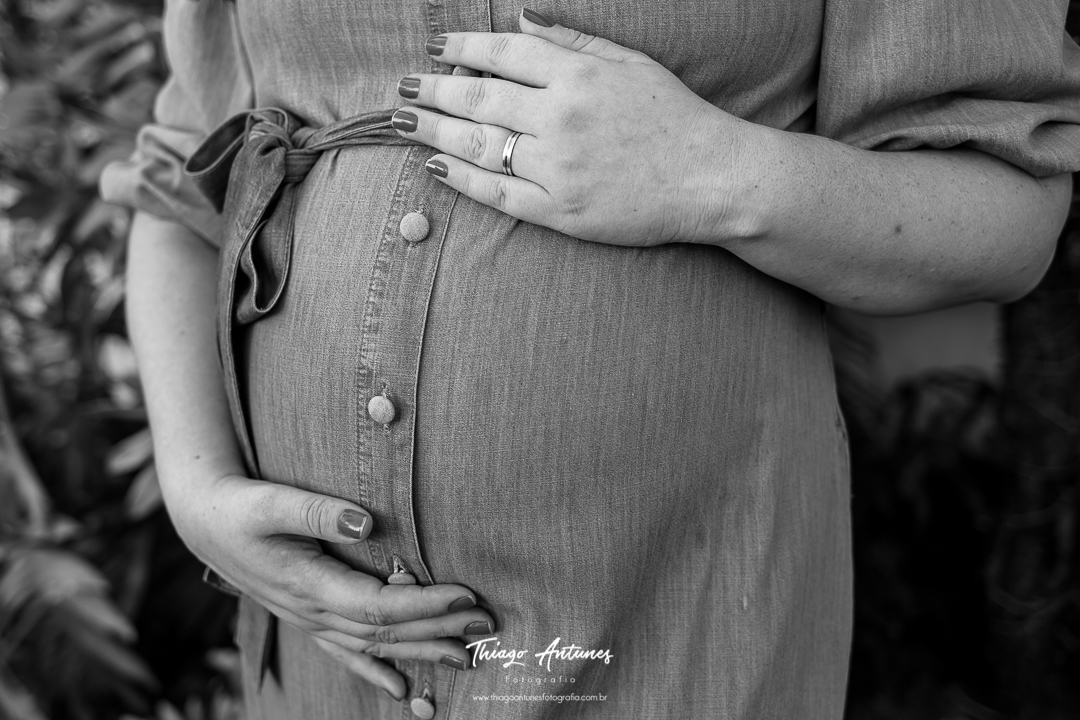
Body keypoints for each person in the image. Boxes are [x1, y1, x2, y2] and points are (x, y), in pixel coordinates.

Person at [100, 0, 1080, 717]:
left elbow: (1006, 211)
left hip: (678, 643)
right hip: (329, 651)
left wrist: (710, 173)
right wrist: (199, 496)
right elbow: (185, 184)